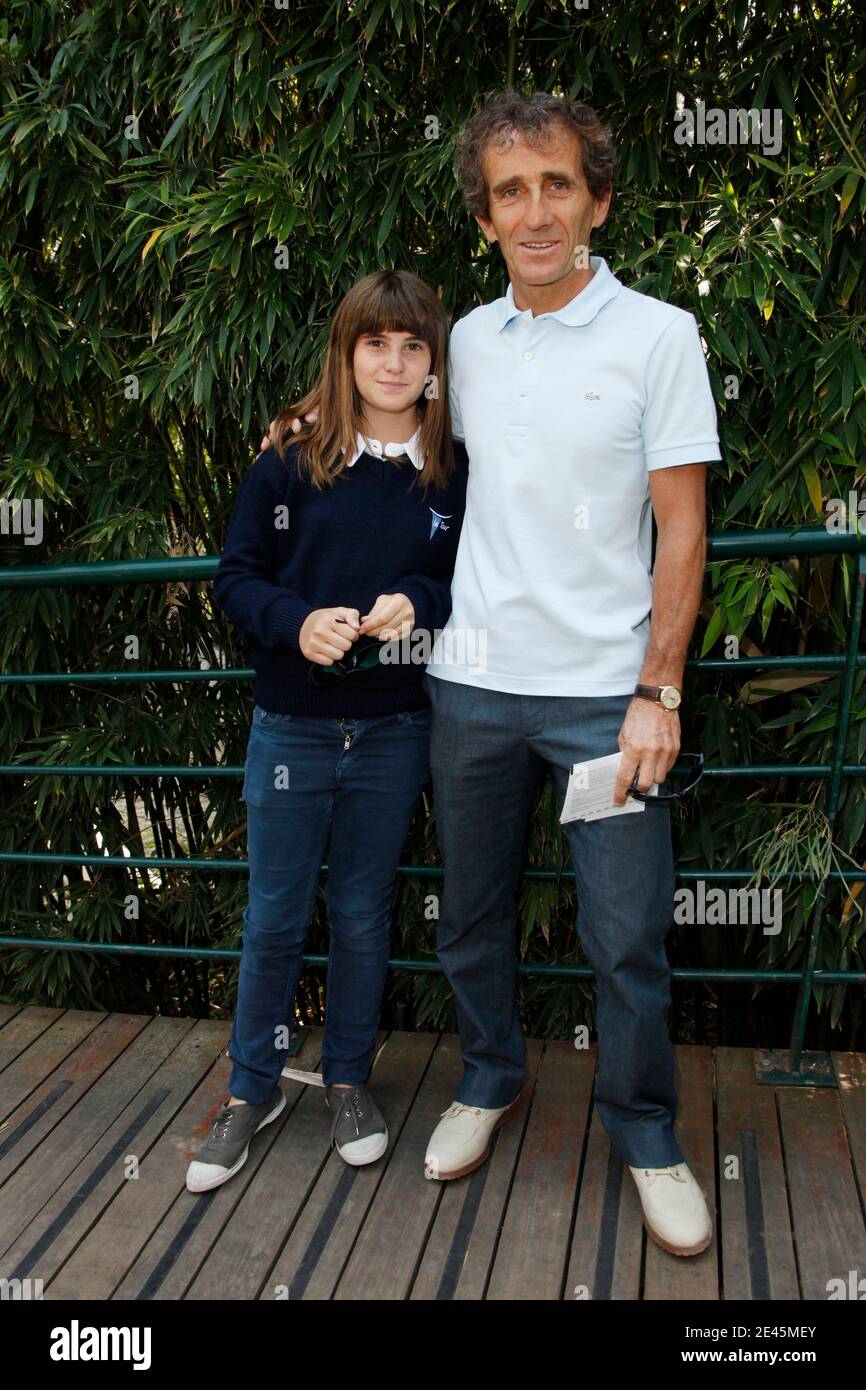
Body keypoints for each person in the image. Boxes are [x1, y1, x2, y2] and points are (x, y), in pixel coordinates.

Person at [273, 90, 721, 1258]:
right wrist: (304, 420)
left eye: (555, 185)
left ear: (596, 199)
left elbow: (682, 531)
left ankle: (645, 1132)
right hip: (466, 688)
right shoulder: (466, 340)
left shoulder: (659, 336)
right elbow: (390, 426)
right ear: (483, 216)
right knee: (468, 917)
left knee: (623, 935)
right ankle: (490, 1075)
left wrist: (657, 690)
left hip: (601, 700)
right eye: (509, 191)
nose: (533, 210)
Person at [185, 270, 467, 1192]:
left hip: (393, 729)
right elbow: (236, 576)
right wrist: (295, 622)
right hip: (294, 729)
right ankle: (249, 1088)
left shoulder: (448, 468)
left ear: (434, 363)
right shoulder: (290, 459)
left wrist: (414, 601)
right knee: (272, 919)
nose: (393, 361)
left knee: (360, 915)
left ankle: (349, 1078)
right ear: (346, 353)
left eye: (412, 346)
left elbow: (458, 580)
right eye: (374, 343)